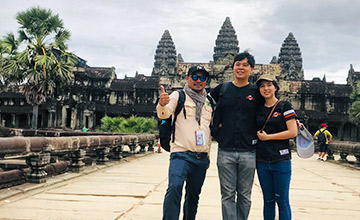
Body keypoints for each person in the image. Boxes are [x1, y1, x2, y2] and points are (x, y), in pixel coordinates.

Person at [210, 51, 263, 220]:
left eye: (245, 65)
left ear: (252, 69)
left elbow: (270, 110)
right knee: (227, 195)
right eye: (238, 64)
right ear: (232, 67)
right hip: (225, 149)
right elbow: (203, 104)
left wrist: (291, 121)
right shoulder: (223, 89)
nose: (241, 68)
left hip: (248, 150)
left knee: (245, 196)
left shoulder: (256, 92)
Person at [157, 65, 212, 220]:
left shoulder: (209, 102)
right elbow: (165, 113)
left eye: (202, 78)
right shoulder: (178, 95)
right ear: (187, 78)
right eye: (195, 77)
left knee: (193, 196)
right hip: (181, 154)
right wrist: (162, 103)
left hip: (201, 157)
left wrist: (208, 154)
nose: (198, 81)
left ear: (206, 81)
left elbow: (207, 130)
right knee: (174, 187)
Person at [255, 74, 298, 220]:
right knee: (268, 201)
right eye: (262, 86)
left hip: (280, 159)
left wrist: (269, 137)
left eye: (269, 85)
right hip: (262, 160)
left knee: (282, 200)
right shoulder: (258, 108)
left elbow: (292, 131)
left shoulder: (285, 106)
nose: (265, 88)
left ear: (275, 87)